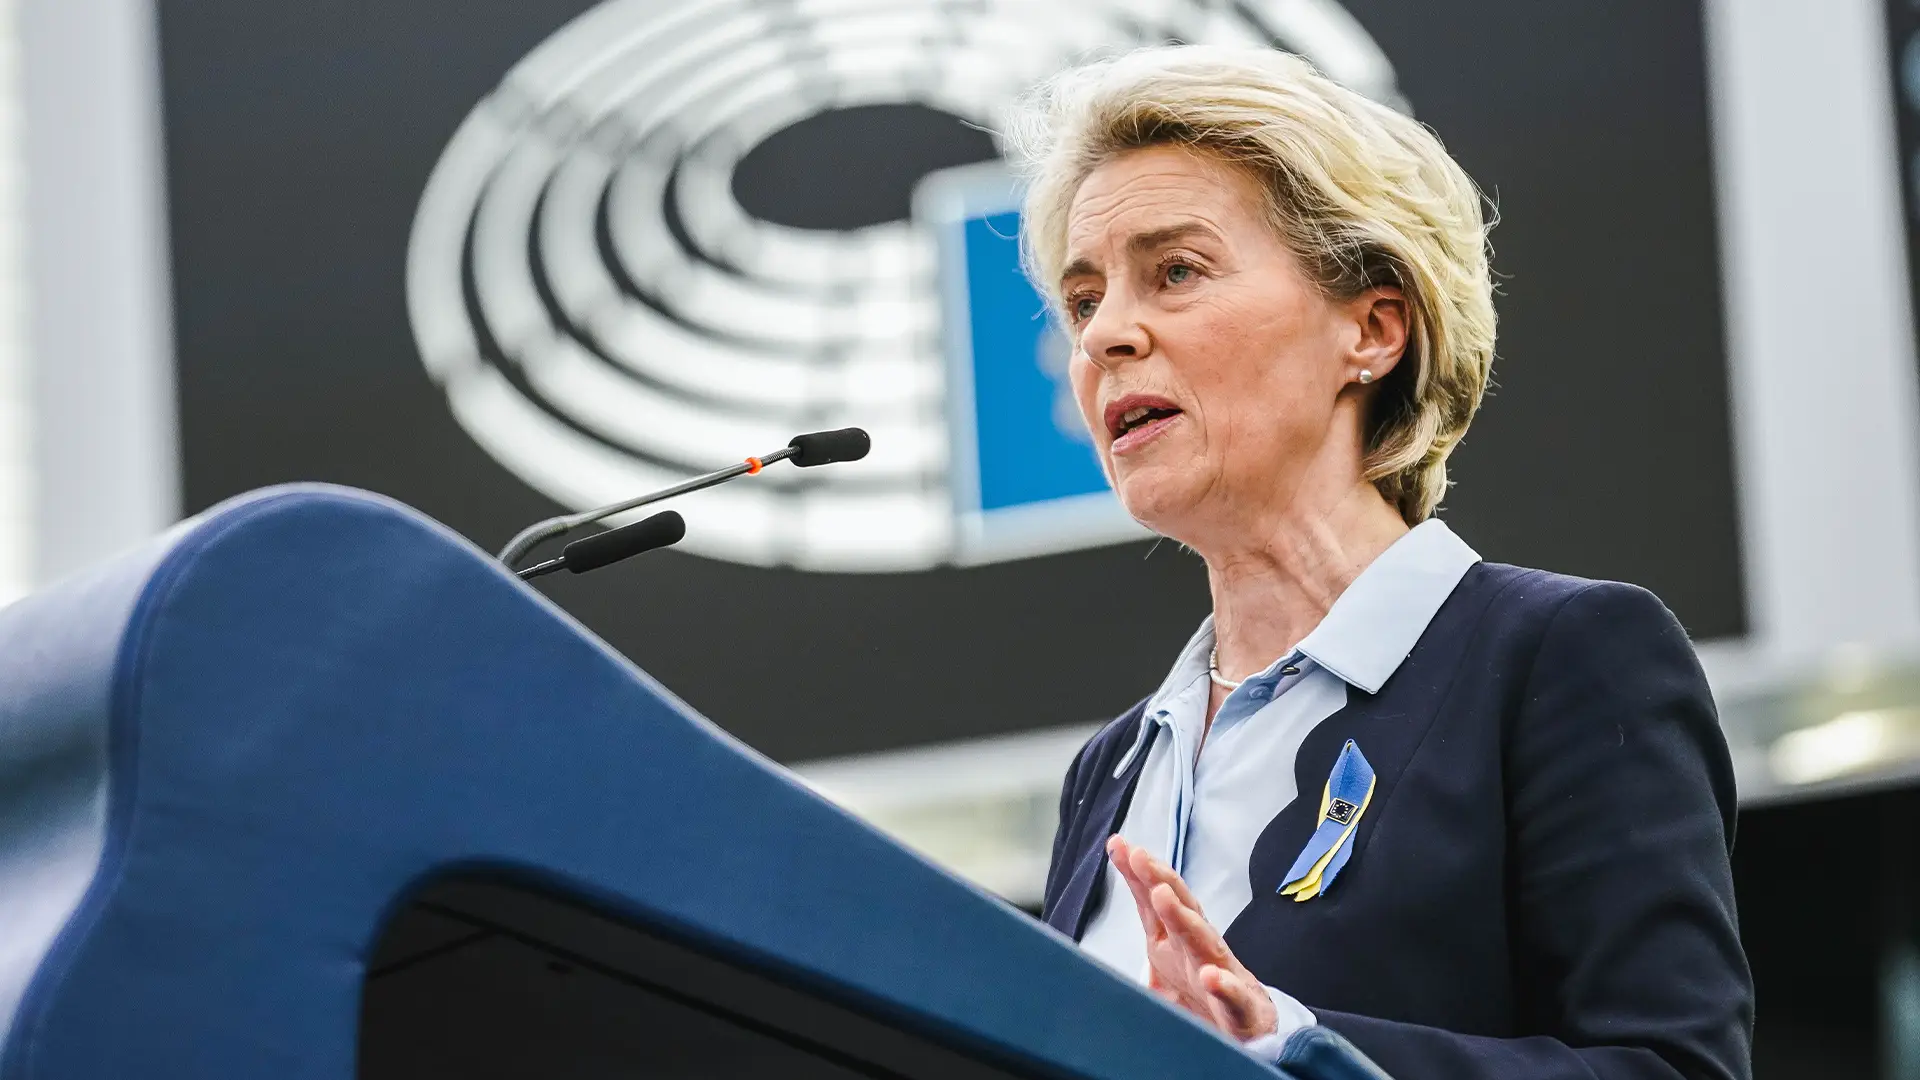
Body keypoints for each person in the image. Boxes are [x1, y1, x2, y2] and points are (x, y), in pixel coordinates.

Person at [1008, 44, 1753, 1080]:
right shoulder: (1115, 766)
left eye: (1175, 271)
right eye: (1085, 301)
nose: (1104, 339)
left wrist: (1291, 1047)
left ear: (1372, 329)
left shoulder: (1560, 658)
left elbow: (1673, 1069)